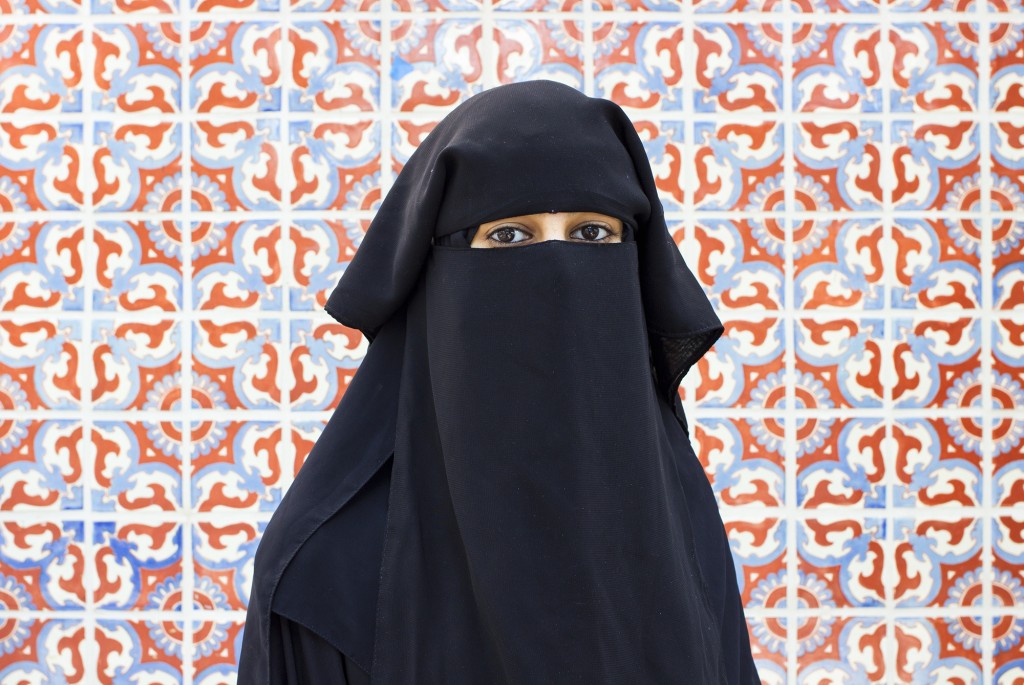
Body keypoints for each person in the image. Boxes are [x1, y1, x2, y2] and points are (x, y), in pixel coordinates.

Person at [238, 79, 760, 684]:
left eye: (594, 234)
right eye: (510, 236)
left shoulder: (678, 519)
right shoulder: (327, 577)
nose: (559, 274)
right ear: (437, 271)